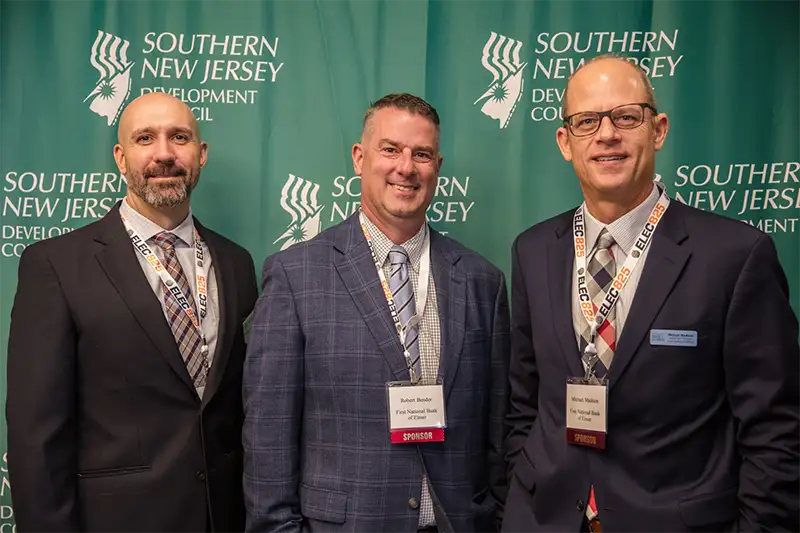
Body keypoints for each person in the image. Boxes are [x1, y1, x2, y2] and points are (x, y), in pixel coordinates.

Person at [503, 55, 800, 533]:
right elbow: (524, 403)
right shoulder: (533, 250)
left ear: (658, 129)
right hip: (544, 518)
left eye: (626, 116)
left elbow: (775, 430)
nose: (606, 135)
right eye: (586, 121)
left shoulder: (736, 256)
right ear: (565, 141)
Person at [243, 93, 509, 533]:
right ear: (359, 158)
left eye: (421, 154)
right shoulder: (296, 275)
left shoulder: (483, 281)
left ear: (436, 168)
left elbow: (499, 433)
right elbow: (269, 434)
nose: (406, 167)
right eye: (390, 149)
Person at [6, 92, 258, 533]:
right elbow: (37, 438)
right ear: (121, 158)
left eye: (179, 138)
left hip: (224, 517)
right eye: (146, 138)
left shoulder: (236, 263)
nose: (164, 154)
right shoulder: (56, 265)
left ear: (201, 155)